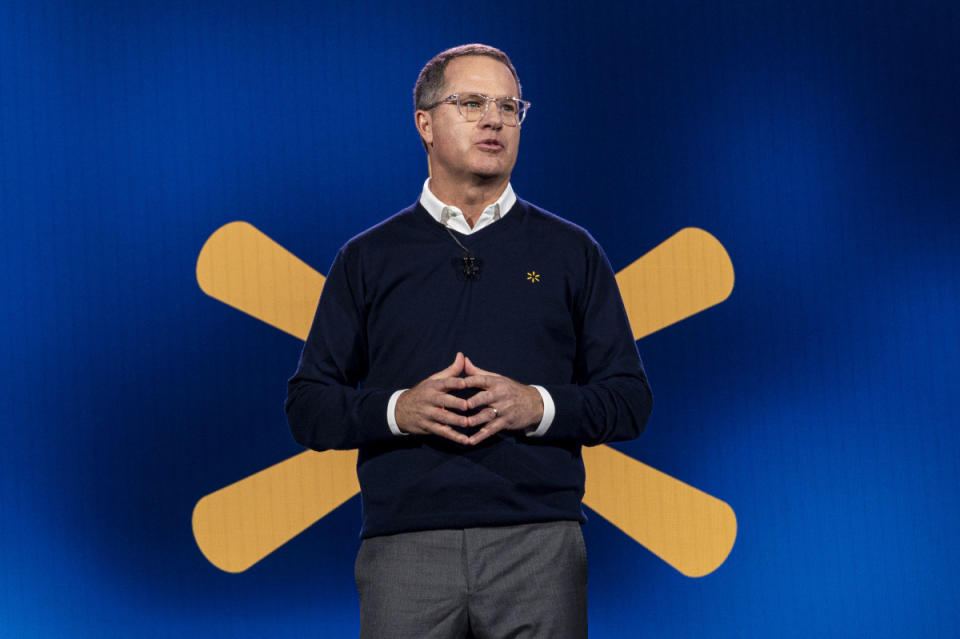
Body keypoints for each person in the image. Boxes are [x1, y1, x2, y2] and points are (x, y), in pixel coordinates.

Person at [286, 43, 652, 639]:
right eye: (473, 102)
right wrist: (399, 410)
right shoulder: (367, 258)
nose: (494, 120)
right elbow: (307, 407)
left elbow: (630, 399)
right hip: (406, 546)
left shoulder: (570, 252)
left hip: (539, 545)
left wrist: (537, 405)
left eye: (510, 107)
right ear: (425, 124)